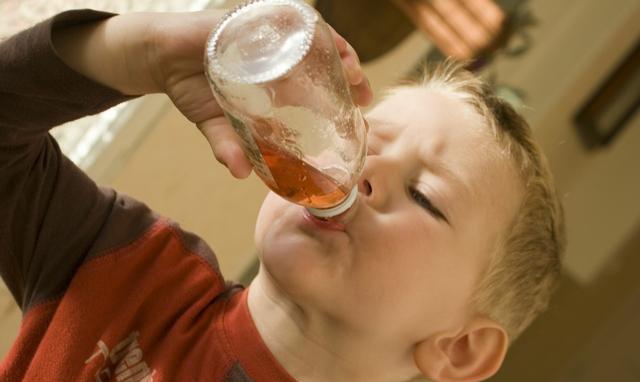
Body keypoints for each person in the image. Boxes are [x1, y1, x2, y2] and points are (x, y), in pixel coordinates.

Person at [0, 8, 564, 382]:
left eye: (424, 195)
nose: (362, 169)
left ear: (459, 350)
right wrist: (142, 51)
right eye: (360, 137)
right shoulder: (126, 268)